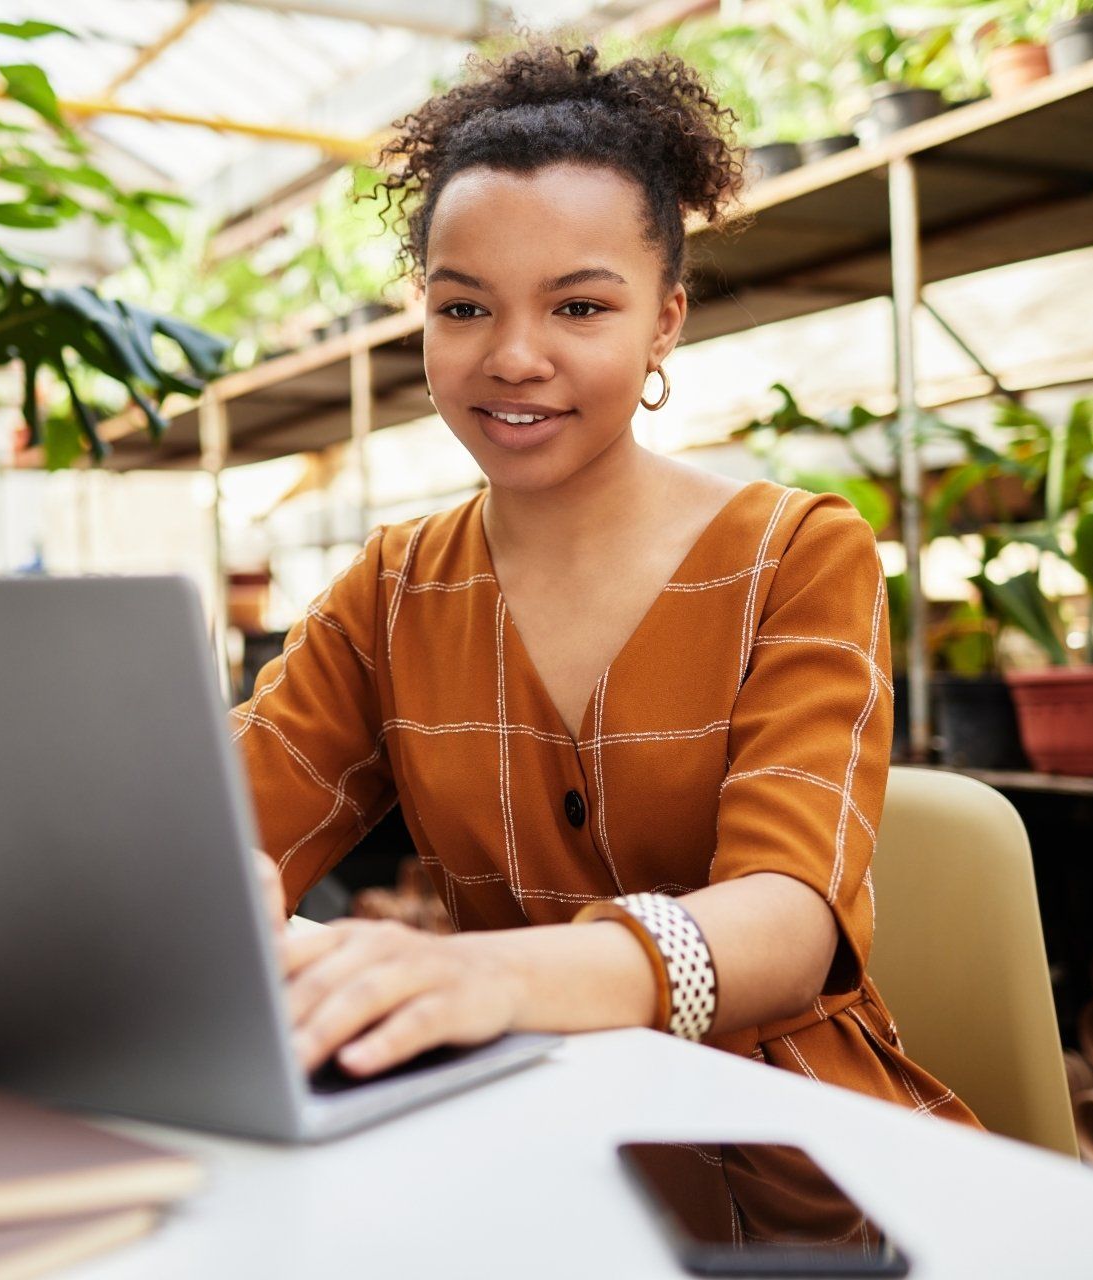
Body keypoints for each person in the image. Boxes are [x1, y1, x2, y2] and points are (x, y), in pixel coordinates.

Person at [231, 40, 979, 1128]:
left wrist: (492, 978)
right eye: (463, 307)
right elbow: (229, 819)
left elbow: (788, 922)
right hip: (519, 1121)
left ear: (664, 318)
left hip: (791, 1133)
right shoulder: (389, 591)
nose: (514, 356)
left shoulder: (798, 553)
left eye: (579, 308)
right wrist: (214, 881)